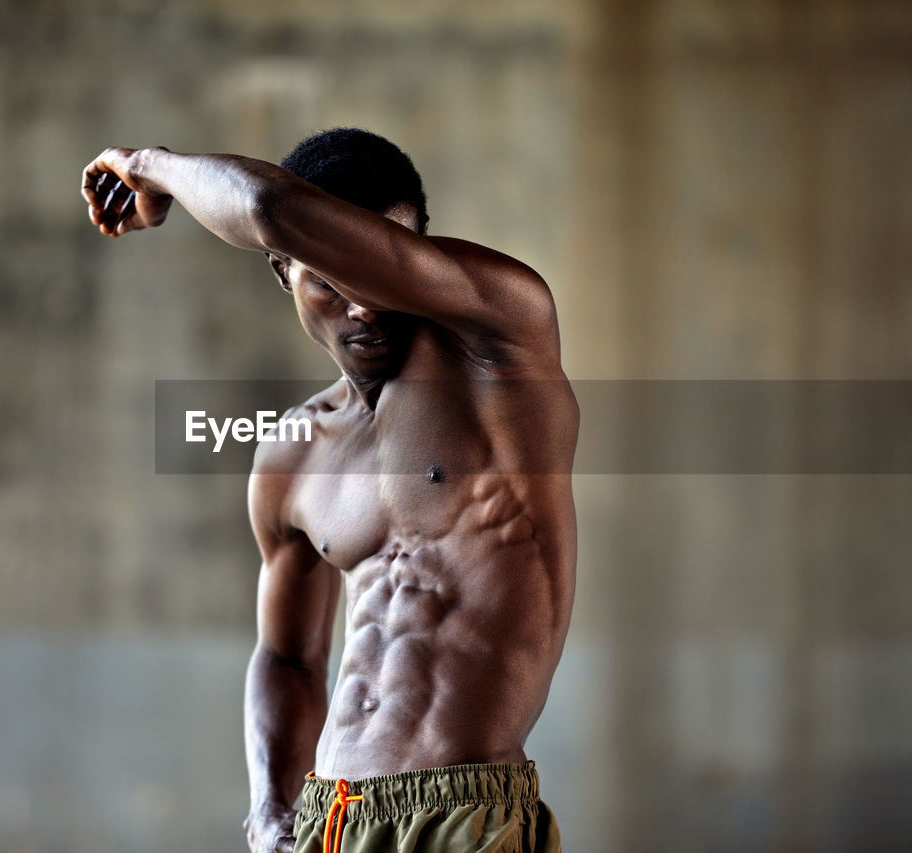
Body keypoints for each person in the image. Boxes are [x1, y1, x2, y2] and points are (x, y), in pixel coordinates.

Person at [82, 129, 577, 853]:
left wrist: (146, 168)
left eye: (382, 272)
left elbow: (273, 207)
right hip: (330, 824)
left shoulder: (501, 341)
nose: (365, 308)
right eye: (330, 281)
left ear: (416, 258)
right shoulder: (292, 451)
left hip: (464, 819)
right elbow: (286, 657)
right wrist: (270, 808)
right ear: (283, 272)